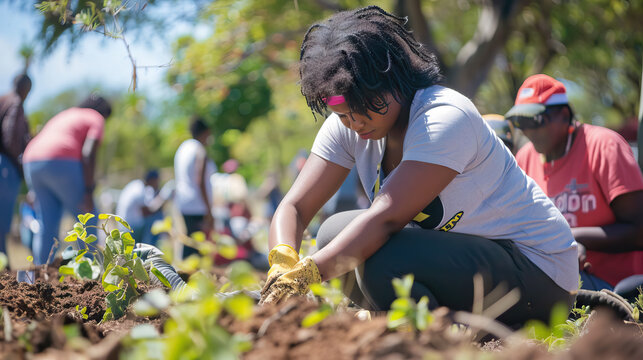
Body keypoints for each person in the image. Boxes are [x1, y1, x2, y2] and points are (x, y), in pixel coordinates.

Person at [259, 6, 578, 329]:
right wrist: (282, 262)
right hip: (468, 266)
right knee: (332, 235)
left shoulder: (443, 117)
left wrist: (309, 274)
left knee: (378, 256)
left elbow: (385, 219)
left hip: (538, 275)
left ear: (392, 77)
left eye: (364, 107)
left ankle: (438, 329)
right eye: (344, 114)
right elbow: (296, 207)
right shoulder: (347, 124)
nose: (355, 123)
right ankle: (419, 320)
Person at [506, 74, 643, 298]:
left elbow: (639, 231)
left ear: (564, 115)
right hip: (554, 276)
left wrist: (570, 238)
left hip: (615, 284)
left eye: (535, 120)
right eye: (520, 122)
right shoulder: (524, 158)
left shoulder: (603, 147)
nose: (527, 130)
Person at [22, 94, 111, 265]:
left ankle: (40, 276)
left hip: (32, 161)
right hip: (60, 160)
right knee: (89, 218)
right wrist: (88, 191)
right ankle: (90, 274)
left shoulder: (66, 114)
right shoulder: (95, 117)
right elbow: (88, 153)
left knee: (47, 224)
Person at [174, 116, 216, 258]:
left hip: (184, 202)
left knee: (189, 241)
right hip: (197, 205)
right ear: (204, 132)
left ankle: (183, 274)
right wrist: (209, 211)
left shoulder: (183, 148)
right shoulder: (199, 150)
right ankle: (187, 276)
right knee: (197, 246)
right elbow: (200, 181)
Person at [0, 73, 32, 256]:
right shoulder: (15, 102)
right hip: (6, 167)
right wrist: (20, 163)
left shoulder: (2, 99)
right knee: (2, 223)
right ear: (26, 88)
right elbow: (10, 135)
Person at [115, 169, 173, 247]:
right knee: (155, 220)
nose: (158, 183)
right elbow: (147, 212)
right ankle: (150, 250)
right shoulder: (139, 190)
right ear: (152, 180)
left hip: (126, 225)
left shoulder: (138, 185)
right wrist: (163, 198)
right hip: (130, 227)